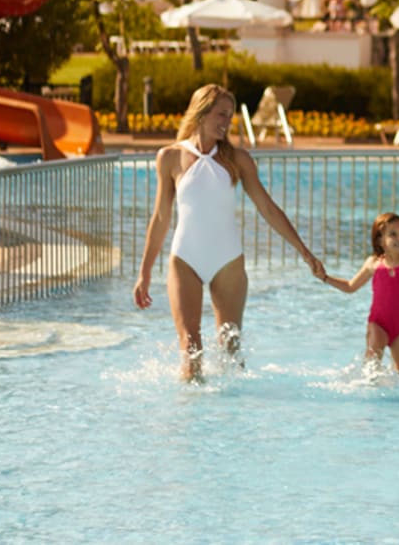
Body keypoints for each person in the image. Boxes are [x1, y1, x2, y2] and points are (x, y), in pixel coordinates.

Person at [133, 83, 325, 380]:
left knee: (231, 350)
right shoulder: (169, 157)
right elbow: (160, 217)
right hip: (185, 260)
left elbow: (269, 209)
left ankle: (232, 420)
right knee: (191, 348)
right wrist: (144, 272)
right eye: (221, 115)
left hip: (228, 262)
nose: (226, 123)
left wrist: (304, 252)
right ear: (202, 112)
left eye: (230, 116)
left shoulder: (237, 160)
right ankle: (192, 419)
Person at [320, 211, 399, 379]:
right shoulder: (373, 263)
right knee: (370, 373)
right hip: (378, 324)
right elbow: (351, 286)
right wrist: (325, 277)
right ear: (381, 240)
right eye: (393, 234)